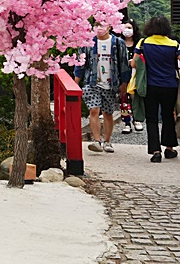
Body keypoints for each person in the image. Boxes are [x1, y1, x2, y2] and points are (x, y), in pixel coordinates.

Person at [75, 24, 130, 154]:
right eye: (96, 25)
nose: (99, 28)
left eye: (102, 24)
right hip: (92, 81)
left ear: (109, 26)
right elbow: (80, 64)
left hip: (111, 83)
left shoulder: (118, 42)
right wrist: (75, 82)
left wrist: (124, 83)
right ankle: (97, 140)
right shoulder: (88, 42)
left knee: (108, 112)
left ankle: (107, 141)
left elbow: (124, 63)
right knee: (94, 109)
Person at [134, 17, 179, 162]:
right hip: (170, 85)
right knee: (168, 116)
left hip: (150, 85)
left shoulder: (144, 42)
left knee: (152, 118)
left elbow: (134, 63)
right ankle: (169, 148)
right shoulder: (174, 44)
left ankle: (155, 151)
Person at [121, 20, 143, 133]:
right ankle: (126, 122)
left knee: (135, 97)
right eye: (125, 27)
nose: (127, 30)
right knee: (124, 98)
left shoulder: (139, 43)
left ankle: (137, 119)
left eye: (129, 27)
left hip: (135, 74)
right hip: (123, 74)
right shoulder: (119, 42)